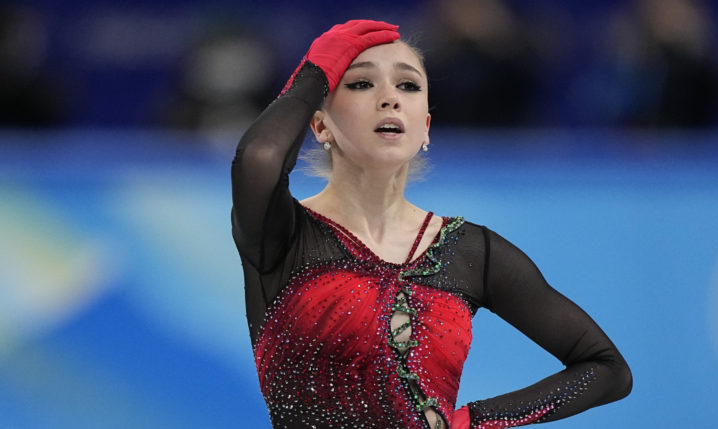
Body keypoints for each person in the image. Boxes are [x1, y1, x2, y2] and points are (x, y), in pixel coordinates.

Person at [231, 19, 631, 429]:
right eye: (361, 84)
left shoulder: (470, 251)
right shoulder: (282, 233)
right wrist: (315, 71)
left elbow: (606, 369)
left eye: (407, 86)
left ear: (424, 127)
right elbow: (258, 159)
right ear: (319, 125)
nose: (389, 98)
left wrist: (476, 421)